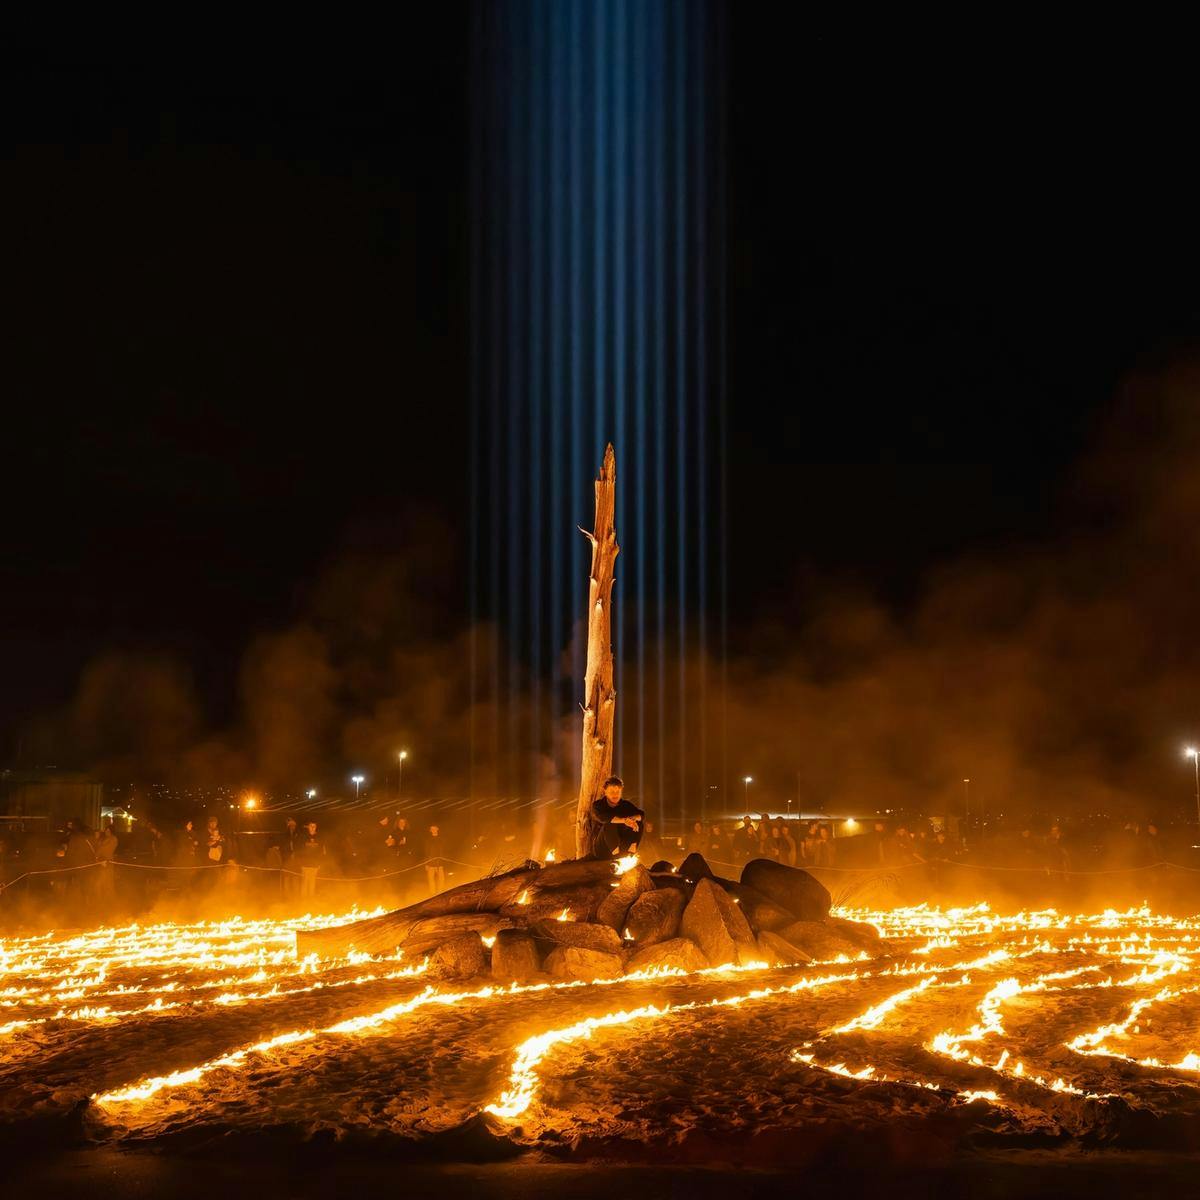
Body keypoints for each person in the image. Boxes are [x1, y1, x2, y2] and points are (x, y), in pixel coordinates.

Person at [590, 776, 645, 858]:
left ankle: (631, 853)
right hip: (603, 848)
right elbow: (604, 818)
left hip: (622, 846)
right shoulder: (598, 805)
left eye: (618, 792)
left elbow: (641, 815)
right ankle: (616, 856)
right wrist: (624, 820)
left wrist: (631, 820)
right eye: (612, 791)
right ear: (605, 791)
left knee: (638, 822)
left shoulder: (625, 805)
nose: (615, 795)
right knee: (609, 823)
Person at [296, 820, 325, 899]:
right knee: (304, 883)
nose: (312, 828)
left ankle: (311, 900)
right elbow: (299, 851)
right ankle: (303, 900)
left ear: (316, 827)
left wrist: (320, 864)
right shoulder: (303, 837)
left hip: (314, 865)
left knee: (312, 883)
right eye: (311, 826)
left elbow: (321, 852)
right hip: (305, 865)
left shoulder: (319, 838)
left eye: (314, 826)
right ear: (308, 827)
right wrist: (300, 863)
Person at [94, 819, 119, 902]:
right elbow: (97, 849)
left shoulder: (113, 839)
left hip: (108, 863)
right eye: (106, 830)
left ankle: (111, 902)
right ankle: (100, 901)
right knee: (98, 884)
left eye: (108, 831)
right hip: (99, 864)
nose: (107, 832)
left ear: (112, 831)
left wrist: (100, 854)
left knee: (108, 884)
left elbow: (107, 850)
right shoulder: (102, 840)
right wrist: (97, 857)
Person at [423, 823, 447, 895]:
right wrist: (426, 864)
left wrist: (442, 861)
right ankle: (432, 894)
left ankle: (440, 893)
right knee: (431, 880)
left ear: (437, 829)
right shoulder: (428, 840)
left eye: (434, 828)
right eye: (432, 829)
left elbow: (444, 850)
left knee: (441, 879)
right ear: (430, 830)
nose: (433, 830)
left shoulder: (442, 839)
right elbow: (426, 852)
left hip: (440, 863)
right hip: (431, 863)